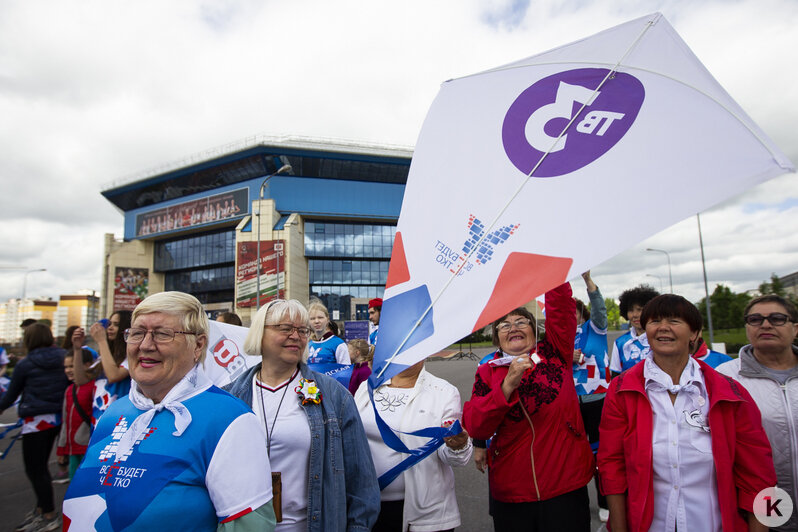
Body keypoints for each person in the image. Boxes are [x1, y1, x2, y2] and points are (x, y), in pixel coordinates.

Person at [62, 291, 276, 531]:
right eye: (137, 333)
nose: (145, 345)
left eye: (163, 334)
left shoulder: (229, 419)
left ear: (198, 345)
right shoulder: (114, 412)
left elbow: (251, 526)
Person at [599, 294, 776, 532]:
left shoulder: (730, 392)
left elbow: (759, 474)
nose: (663, 327)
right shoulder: (621, 391)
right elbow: (612, 467)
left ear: (694, 333)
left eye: (674, 320)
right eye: (653, 321)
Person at [225, 299, 380, 531]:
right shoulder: (229, 398)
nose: (296, 335)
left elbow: (361, 480)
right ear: (260, 332)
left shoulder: (335, 396)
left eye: (302, 330)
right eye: (285, 328)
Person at [462, 282, 594, 531]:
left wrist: (552, 270)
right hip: (512, 492)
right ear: (497, 337)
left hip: (566, 484)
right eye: (505, 324)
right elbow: (477, 426)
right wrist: (506, 386)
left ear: (534, 331)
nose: (513, 327)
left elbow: (561, 307)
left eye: (521, 321)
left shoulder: (555, 352)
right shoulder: (487, 372)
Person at [355, 360, 472, 532]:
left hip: (425, 514)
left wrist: (457, 445)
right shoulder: (367, 386)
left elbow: (453, 456)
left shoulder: (443, 391)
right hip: (367, 507)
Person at [717, 294, 798, 531]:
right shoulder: (726, 378)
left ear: (795, 328)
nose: (765, 325)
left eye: (777, 318)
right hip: (759, 510)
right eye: (755, 319)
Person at [0, 323, 69, 532]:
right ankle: (41, 510)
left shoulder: (25, 364)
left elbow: (11, 395)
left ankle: (48, 514)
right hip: (61, 417)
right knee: (41, 468)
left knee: (35, 469)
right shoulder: (63, 357)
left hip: (36, 421)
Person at [572, 271, 611, 522]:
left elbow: (600, 308)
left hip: (598, 399)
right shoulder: (559, 337)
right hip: (570, 403)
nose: (569, 315)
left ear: (581, 313)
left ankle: (605, 501)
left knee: (601, 455)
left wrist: (588, 281)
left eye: (572, 310)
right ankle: (575, 503)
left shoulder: (595, 328)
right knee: (572, 455)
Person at [72, 311, 132, 423]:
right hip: (98, 418)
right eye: (109, 324)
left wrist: (101, 341)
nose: (110, 328)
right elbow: (81, 380)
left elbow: (114, 376)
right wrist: (77, 349)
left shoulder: (132, 356)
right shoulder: (105, 356)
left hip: (119, 419)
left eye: (116, 325)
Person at [56, 348, 95, 480]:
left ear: (88, 365)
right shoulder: (69, 390)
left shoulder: (95, 387)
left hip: (89, 448)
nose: (68, 370)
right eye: (66, 367)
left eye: (72, 366)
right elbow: (65, 422)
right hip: (73, 449)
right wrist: (61, 448)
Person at [609, 284, 660, 377]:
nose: (635, 315)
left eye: (640, 310)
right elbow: (616, 376)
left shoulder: (661, 338)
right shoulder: (620, 343)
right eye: (631, 310)